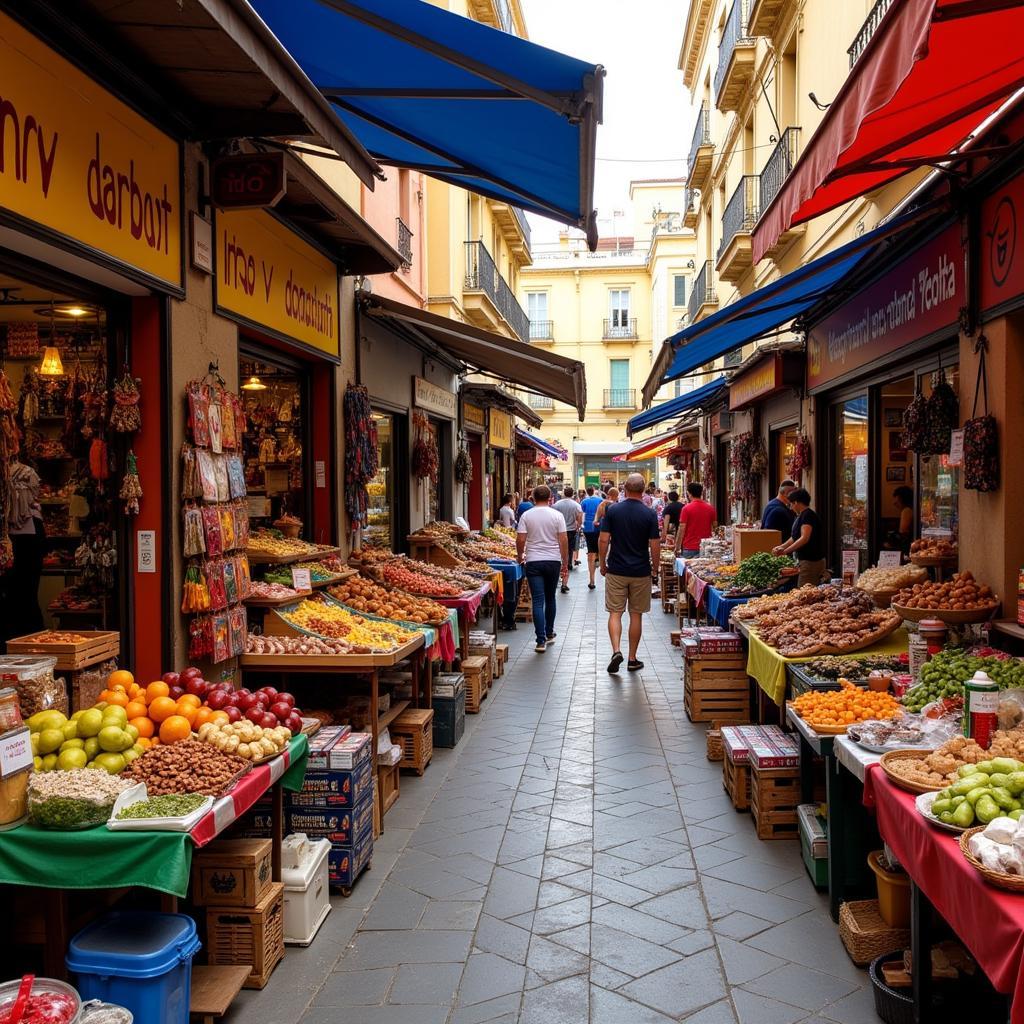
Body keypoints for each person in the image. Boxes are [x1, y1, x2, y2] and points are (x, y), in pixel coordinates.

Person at [599, 473, 660, 673]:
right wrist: (655, 569)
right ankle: (632, 658)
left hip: (616, 569)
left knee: (615, 613)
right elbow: (654, 545)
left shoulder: (613, 510)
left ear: (625, 489)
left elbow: (603, 539)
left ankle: (616, 650)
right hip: (641, 571)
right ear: (643, 491)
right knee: (636, 615)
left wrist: (602, 563)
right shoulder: (649, 513)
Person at [516, 484, 569, 653]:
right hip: (553, 561)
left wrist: (520, 556)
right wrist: (565, 561)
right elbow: (563, 540)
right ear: (550, 498)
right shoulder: (557, 516)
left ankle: (540, 640)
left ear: (532, 498)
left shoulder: (526, 515)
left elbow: (520, 539)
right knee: (550, 597)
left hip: (533, 561)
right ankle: (549, 632)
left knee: (538, 601)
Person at [3, 456, 44, 641]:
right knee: (27, 596)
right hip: (29, 541)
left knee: (17, 596)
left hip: (20, 542)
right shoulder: (29, 474)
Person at [773, 488, 827, 586]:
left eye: (791, 504)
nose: (790, 508)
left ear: (796, 502)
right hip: (805, 561)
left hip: (811, 562)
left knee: (805, 592)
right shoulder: (801, 516)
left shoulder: (808, 516)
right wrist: (782, 547)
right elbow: (794, 537)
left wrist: (786, 551)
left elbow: (804, 538)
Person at [674, 482, 716, 559]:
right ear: (701, 493)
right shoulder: (710, 508)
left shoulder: (686, 509)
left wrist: (677, 547)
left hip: (689, 547)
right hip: (706, 547)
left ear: (689, 493)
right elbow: (715, 527)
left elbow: (681, 528)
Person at [553, 485, 583, 593]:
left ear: (564, 493)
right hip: (570, 530)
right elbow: (579, 517)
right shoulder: (576, 505)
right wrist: (578, 526)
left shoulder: (556, 505)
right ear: (573, 494)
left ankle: (560, 566)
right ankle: (568, 563)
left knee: (558, 549)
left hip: (559, 531)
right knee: (569, 548)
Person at [580, 486, 604, 590]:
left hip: (588, 528)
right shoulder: (601, 500)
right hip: (600, 527)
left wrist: (581, 526)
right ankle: (598, 558)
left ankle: (592, 580)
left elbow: (582, 515)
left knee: (590, 552)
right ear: (594, 491)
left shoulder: (584, 501)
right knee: (600, 546)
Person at [885, 486, 915, 553]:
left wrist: (891, 544)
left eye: (897, 498)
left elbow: (903, 533)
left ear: (903, 499)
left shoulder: (906, 511)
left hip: (907, 549)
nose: (894, 503)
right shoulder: (912, 510)